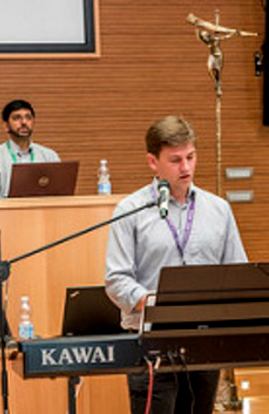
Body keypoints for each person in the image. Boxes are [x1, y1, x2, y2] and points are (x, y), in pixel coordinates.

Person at [105, 116, 247, 414]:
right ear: (153, 162)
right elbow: (117, 280)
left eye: (191, 157)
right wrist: (159, 305)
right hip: (151, 345)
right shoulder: (130, 211)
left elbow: (237, 273)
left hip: (204, 340)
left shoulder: (218, 210)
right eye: (175, 160)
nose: (186, 168)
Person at [0, 99, 60, 199]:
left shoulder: (49, 156)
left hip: (42, 212)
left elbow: (60, 193)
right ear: (6, 126)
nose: (24, 122)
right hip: (6, 213)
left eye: (28, 118)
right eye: (17, 118)